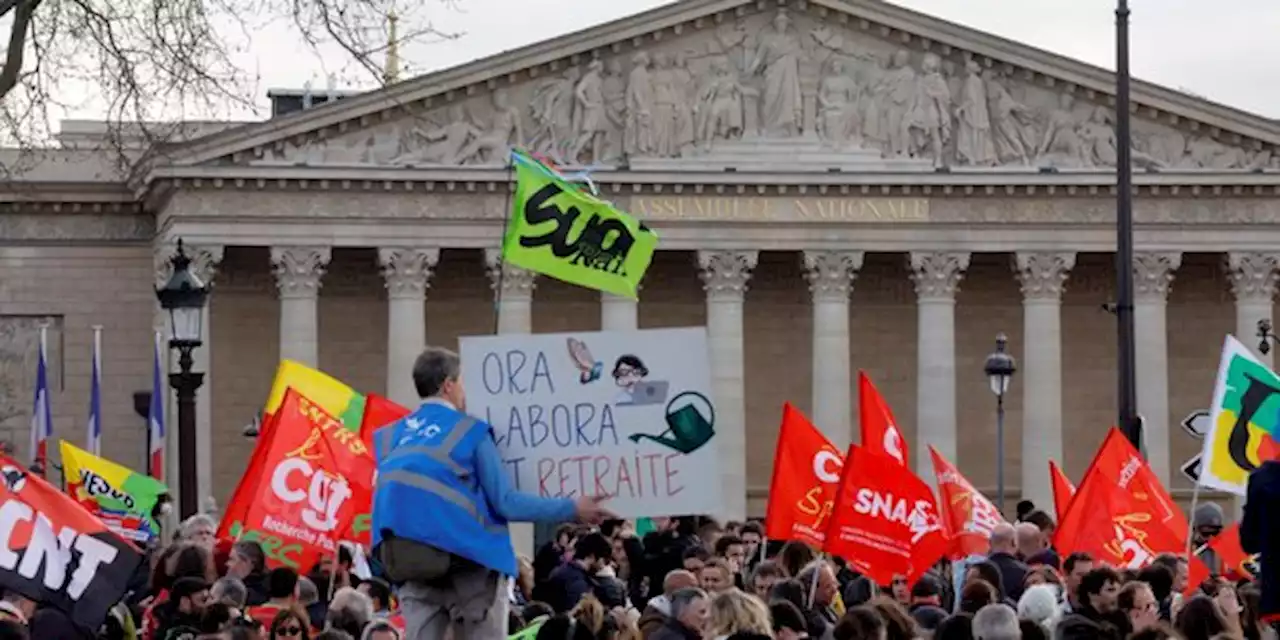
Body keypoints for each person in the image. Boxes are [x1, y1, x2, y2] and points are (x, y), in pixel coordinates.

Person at [372, 347, 612, 640]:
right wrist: (573, 507)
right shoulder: (469, 432)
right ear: (448, 384)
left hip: (411, 564)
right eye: (461, 381)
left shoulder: (388, 437)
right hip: (472, 566)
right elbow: (506, 503)